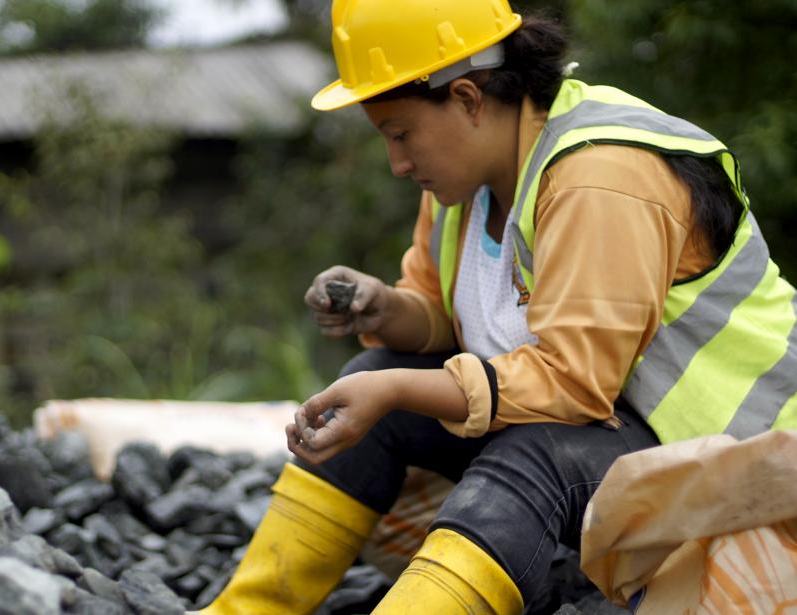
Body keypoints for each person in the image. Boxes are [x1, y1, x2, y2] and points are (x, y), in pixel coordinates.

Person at [196, 0, 797, 613]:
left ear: (466, 98)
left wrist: (400, 390)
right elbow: (442, 320)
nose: (398, 164)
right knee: (374, 378)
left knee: (530, 453)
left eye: (401, 135)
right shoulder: (466, 185)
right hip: (625, 442)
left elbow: (573, 384)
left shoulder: (600, 176)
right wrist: (385, 309)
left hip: (750, 468)